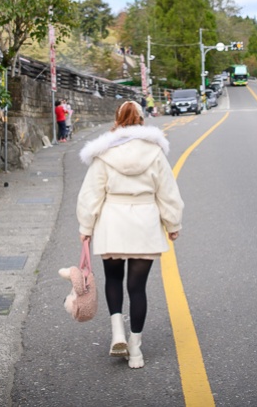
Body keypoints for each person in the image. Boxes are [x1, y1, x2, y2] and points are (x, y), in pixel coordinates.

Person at [76, 100, 184, 369]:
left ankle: (117, 335)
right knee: (138, 288)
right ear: (141, 119)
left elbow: (91, 194)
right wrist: (173, 224)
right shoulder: (155, 152)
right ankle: (136, 350)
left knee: (113, 279)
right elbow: (167, 192)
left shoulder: (104, 152)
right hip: (144, 223)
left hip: (113, 220)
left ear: (117, 119)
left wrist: (85, 228)